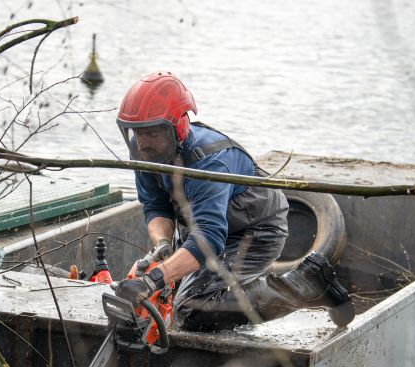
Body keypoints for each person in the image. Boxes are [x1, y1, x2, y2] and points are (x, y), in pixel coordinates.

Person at [113, 71, 355, 330]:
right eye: (136, 133)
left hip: (256, 230)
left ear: (176, 128)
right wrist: (162, 246)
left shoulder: (208, 163)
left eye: (151, 133)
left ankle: (306, 283)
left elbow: (209, 238)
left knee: (191, 309)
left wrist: (153, 279)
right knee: (168, 295)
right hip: (209, 228)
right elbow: (156, 206)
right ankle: (249, 287)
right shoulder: (147, 154)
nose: (143, 143)